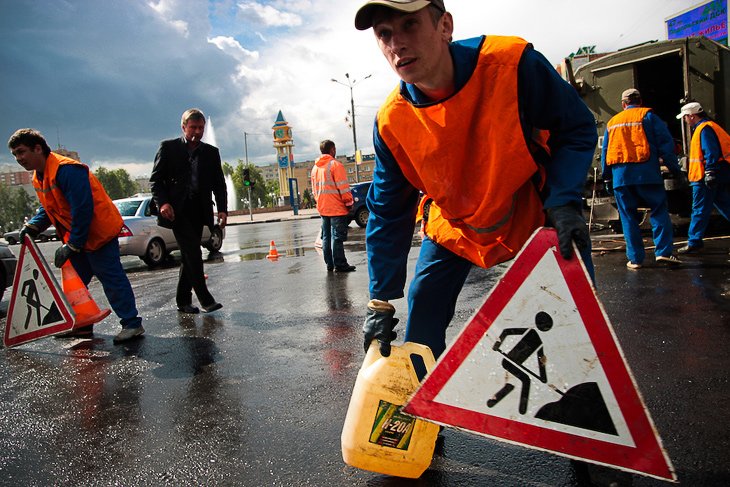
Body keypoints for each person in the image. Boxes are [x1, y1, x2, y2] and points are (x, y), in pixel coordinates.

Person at [355, 0, 596, 361]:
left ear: (445, 27)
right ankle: (423, 412)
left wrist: (564, 202)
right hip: (457, 225)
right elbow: (388, 211)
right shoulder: (391, 122)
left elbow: (574, 127)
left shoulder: (512, 64)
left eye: (409, 25)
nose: (396, 44)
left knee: (574, 316)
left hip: (530, 209)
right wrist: (380, 300)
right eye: (385, 34)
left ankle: (576, 393)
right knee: (423, 320)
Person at [7, 128, 144, 343]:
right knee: (74, 284)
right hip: (78, 236)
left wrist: (72, 245)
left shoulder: (66, 170)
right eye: (15, 154)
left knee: (111, 278)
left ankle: (132, 324)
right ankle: (80, 325)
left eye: (21, 152)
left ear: (38, 148)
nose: (19, 159)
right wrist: (33, 226)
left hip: (98, 234)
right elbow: (49, 207)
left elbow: (82, 209)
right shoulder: (39, 176)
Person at [150, 108, 227, 314]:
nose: (197, 132)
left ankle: (183, 301)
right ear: (183, 127)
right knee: (193, 251)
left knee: (189, 254)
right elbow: (155, 181)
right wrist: (163, 203)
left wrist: (222, 209)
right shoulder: (169, 148)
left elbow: (219, 184)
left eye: (201, 128)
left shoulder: (211, 153)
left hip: (199, 209)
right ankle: (205, 298)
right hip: (177, 211)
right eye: (193, 127)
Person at [600, 88, 684, 269]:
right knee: (659, 211)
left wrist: (606, 178)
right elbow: (666, 146)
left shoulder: (612, 123)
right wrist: (675, 170)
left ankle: (635, 259)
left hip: (621, 178)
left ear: (623, 104)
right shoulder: (649, 117)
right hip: (648, 175)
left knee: (628, 217)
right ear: (640, 101)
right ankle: (663, 253)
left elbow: (606, 152)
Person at [675, 102, 730, 254]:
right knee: (725, 205)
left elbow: (710, 151)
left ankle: (694, 241)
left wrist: (709, 172)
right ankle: (694, 241)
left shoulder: (703, 129)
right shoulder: (709, 126)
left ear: (691, 116)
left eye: (685, 117)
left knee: (699, 209)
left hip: (704, 176)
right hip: (716, 174)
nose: (685, 120)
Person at [310, 140, 356, 272]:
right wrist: (349, 203)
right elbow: (343, 188)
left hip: (323, 208)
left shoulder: (315, 168)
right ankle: (340, 264)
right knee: (337, 237)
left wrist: (320, 203)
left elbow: (314, 190)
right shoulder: (336, 165)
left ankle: (329, 264)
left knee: (326, 237)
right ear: (332, 150)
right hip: (336, 208)